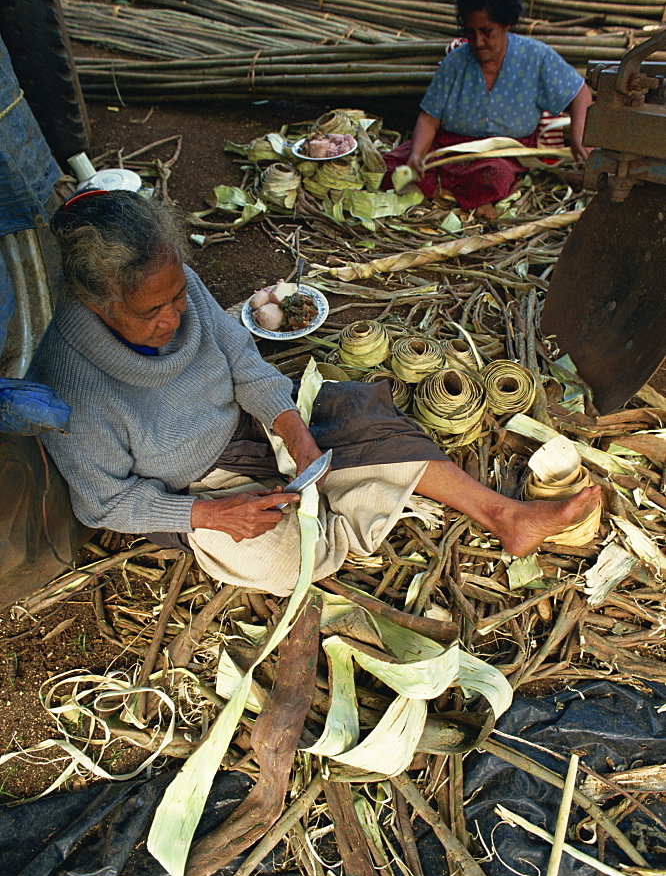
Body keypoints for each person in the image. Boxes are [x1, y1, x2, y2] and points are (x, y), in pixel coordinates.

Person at [27, 190, 599, 596]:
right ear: (96, 303)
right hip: (196, 481)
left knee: (359, 407)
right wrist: (208, 513)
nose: (175, 315)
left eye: (178, 296)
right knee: (280, 559)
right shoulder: (69, 382)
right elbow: (104, 503)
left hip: (249, 425)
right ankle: (341, 504)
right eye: (152, 310)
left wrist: (293, 432)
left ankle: (506, 517)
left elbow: (244, 365)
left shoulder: (177, 284)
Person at [381, 0, 593, 214]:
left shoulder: (536, 57)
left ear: (506, 24)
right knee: (390, 167)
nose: (478, 41)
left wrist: (578, 135)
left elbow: (579, 92)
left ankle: (457, 195)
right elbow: (429, 118)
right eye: (471, 33)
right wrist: (417, 157)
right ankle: (455, 195)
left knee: (494, 176)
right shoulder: (455, 63)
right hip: (448, 148)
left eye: (487, 32)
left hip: (503, 153)